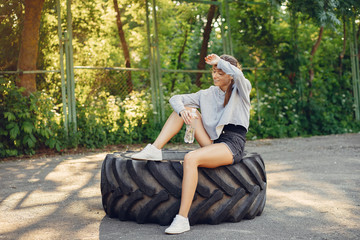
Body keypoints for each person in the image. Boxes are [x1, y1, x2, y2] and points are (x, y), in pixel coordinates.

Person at [131, 53, 252, 234]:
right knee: (185, 110)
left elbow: (239, 75)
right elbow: (175, 98)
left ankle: (182, 218)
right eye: (213, 71)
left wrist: (220, 61)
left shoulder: (241, 89)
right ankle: (155, 149)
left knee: (191, 158)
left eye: (220, 72)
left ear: (230, 74)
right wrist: (183, 111)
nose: (215, 75)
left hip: (231, 145)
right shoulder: (207, 93)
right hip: (213, 142)